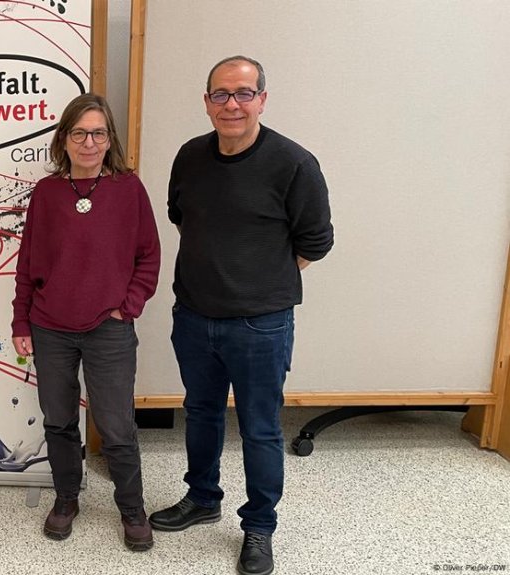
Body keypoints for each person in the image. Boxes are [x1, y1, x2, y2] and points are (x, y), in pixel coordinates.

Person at [150, 56, 334, 575]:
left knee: (259, 429)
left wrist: (258, 280)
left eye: (243, 93)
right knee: (201, 413)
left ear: (262, 99)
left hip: (261, 324)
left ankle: (258, 526)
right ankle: (202, 498)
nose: (232, 104)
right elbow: (182, 216)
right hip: (193, 315)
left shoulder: (294, 164)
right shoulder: (190, 157)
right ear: (206, 101)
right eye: (221, 94)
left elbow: (316, 242)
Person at [11, 93, 161, 551]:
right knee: (58, 421)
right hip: (50, 327)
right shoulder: (47, 193)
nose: (89, 142)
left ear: (109, 138)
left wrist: (128, 306)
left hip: (108, 329)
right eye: (79, 133)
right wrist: (21, 321)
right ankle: (66, 499)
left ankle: (131, 509)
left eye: (98, 132)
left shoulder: (128, 188)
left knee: (116, 427)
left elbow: (149, 255)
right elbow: (27, 263)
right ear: (64, 139)